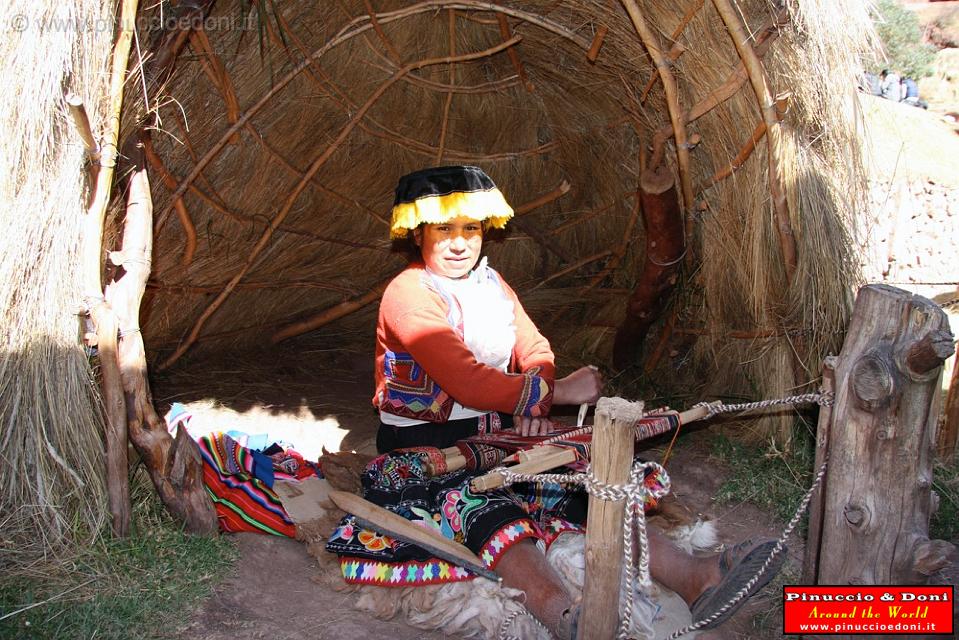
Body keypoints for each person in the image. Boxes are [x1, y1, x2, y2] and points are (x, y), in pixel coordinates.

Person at [326, 165, 784, 638]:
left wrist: (532, 405)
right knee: (478, 503)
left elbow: (534, 348)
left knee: (584, 481)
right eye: (444, 229)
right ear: (418, 231)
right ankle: (564, 614)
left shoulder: (492, 285)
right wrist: (557, 392)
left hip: (496, 429)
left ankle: (696, 578)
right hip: (426, 444)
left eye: (471, 228)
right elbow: (467, 382)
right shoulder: (407, 294)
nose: (460, 242)